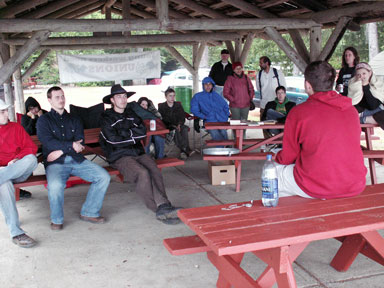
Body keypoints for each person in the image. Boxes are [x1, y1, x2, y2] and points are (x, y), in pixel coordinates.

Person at [274, 61, 366, 199]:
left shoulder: (299, 112)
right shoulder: (351, 110)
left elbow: (288, 157)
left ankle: (288, 218)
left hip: (317, 185)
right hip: (354, 183)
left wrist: (275, 156)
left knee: (273, 173)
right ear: (332, 83)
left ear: (307, 85)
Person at [99, 84, 181, 225]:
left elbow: (142, 131)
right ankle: (158, 208)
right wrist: (132, 134)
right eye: (119, 97)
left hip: (137, 151)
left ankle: (164, 205)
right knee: (142, 173)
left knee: (154, 169)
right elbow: (112, 140)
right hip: (119, 156)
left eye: (125, 96)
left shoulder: (131, 114)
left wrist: (125, 135)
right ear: (112, 100)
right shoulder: (107, 117)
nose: (123, 99)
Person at [36, 86, 110, 230]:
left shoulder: (74, 119)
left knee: (103, 176)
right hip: (55, 163)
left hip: (76, 160)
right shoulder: (44, 120)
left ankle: (89, 212)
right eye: (57, 97)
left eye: (62, 96)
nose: (61, 99)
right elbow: (47, 142)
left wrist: (60, 150)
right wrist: (70, 146)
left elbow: (80, 141)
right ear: (49, 100)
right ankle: (56, 220)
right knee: (55, 186)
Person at [0, 99, 38, 247]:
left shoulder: (15, 127)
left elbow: (30, 148)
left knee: (32, 160)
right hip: (3, 174)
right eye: (2, 112)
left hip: (18, 170)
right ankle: (16, 233)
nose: (6, 114)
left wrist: (16, 159)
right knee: (4, 184)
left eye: (6, 111)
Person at [19, 97, 47, 200]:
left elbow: (48, 129)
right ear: (28, 110)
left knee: (48, 153)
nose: (34, 110)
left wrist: (42, 118)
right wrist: (32, 119)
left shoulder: (44, 113)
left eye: (35, 107)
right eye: (31, 108)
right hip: (32, 145)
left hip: (45, 143)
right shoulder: (25, 118)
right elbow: (27, 133)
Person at [190, 77, 230, 141]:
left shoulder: (216, 95)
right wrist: (204, 116)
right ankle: (221, 148)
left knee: (223, 132)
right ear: (203, 85)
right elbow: (194, 110)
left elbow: (225, 105)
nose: (208, 86)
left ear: (212, 85)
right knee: (216, 134)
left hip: (221, 120)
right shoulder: (198, 96)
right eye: (206, 84)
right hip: (209, 121)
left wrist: (226, 115)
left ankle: (227, 148)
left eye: (210, 84)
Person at [348, 62, 384, 129]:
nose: (361, 76)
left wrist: (366, 86)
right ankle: (364, 119)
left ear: (370, 73)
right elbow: (353, 102)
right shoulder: (353, 83)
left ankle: (364, 119)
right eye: (358, 74)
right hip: (359, 111)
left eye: (364, 73)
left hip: (375, 110)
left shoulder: (377, 83)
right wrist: (365, 86)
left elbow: (374, 105)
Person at [158, 88, 191, 160]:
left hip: (179, 124)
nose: (172, 98)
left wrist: (179, 124)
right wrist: (173, 125)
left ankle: (183, 151)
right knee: (175, 130)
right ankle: (184, 149)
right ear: (166, 97)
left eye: (173, 96)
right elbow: (162, 119)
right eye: (170, 96)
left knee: (184, 129)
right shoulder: (162, 107)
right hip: (168, 126)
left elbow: (182, 116)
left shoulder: (178, 105)